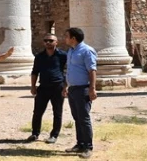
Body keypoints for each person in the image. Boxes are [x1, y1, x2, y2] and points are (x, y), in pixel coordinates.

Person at [63, 27, 97, 159]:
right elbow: (70, 70)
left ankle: (88, 147)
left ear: (73, 38)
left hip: (83, 88)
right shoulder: (71, 51)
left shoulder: (87, 51)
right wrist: (65, 86)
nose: (64, 38)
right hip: (72, 89)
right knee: (77, 117)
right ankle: (80, 144)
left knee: (84, 118)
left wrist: (92, 88)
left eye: (66, 36)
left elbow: (92, 70)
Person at [27, 33, 67, 144]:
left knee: (57, 112)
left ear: (56, 42)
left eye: (50, 40)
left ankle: (54, 135)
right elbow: (35, 72)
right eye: (46, 40)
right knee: (37, 112)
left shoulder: (63, 55)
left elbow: (67, 71)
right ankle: (35, 133)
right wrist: (33, 86)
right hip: (43, 87)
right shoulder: (39, 57)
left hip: (57, 87)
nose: (48, 42)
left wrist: (66, 86)